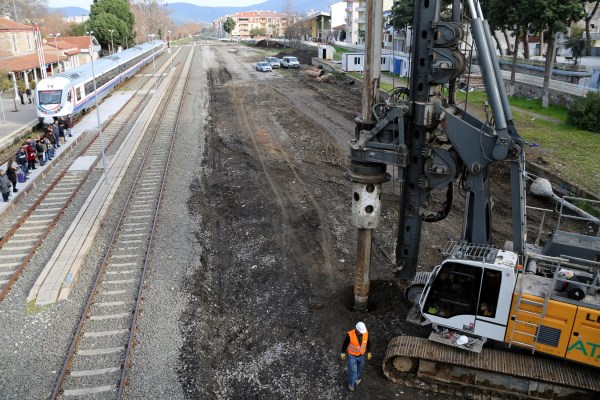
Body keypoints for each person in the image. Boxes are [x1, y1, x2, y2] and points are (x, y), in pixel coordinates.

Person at [340, 322, 371, 391]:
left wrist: (369, 352)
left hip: (361, 355)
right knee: (353, 371)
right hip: (352, 356)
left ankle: (355, 378)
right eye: (361, 331)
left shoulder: (366, 333)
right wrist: (342, 352)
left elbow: (368, 342)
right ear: (357, 330)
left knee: (359, 369)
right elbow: (345, 344)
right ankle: (351, 384)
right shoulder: (350, 335)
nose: (363, 333)